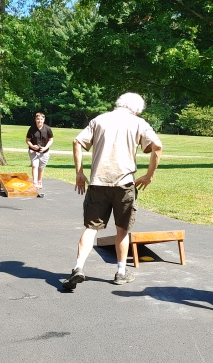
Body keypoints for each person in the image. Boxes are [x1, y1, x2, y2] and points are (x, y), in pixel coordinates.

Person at [63, 92, 162, 290]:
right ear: (136, 109)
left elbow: (77, 142)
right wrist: (149, 176)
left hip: (98, 182)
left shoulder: (99, 120)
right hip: (124, 184)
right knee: (122, 230)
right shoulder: (138, 123)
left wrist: (79, 173)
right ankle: (121, 272)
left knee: (91, 228)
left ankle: (78, 268)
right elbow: (157, 146)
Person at [26, 112, 54, 196]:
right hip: (33, 151)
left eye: (41, 119)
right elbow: (27, 140)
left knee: (41, 168)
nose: (39, 121)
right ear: (35, 120)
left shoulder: (47, 129)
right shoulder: (32, 129)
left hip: (44, 152)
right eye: (38, 119)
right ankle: (34, 182)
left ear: (44, 120)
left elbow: (51, 140)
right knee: (35, 166)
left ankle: (39, 181)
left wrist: (45, 148)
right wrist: (32, 146)